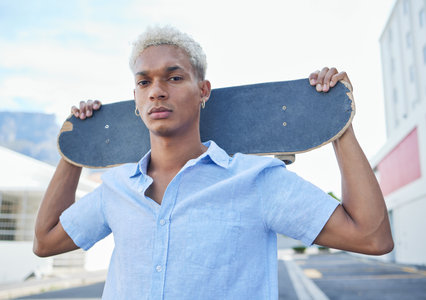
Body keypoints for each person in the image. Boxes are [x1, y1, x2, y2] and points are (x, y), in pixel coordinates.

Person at [34, 25, 393, 299]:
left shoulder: (256, 180)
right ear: (136, 99)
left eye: (174, 77)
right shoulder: (117, 188)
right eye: (144, 82)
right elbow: (45, 242)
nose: (157, 90)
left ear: (203, 90)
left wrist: (338, 123)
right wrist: (76, 147)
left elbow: (372, 237)